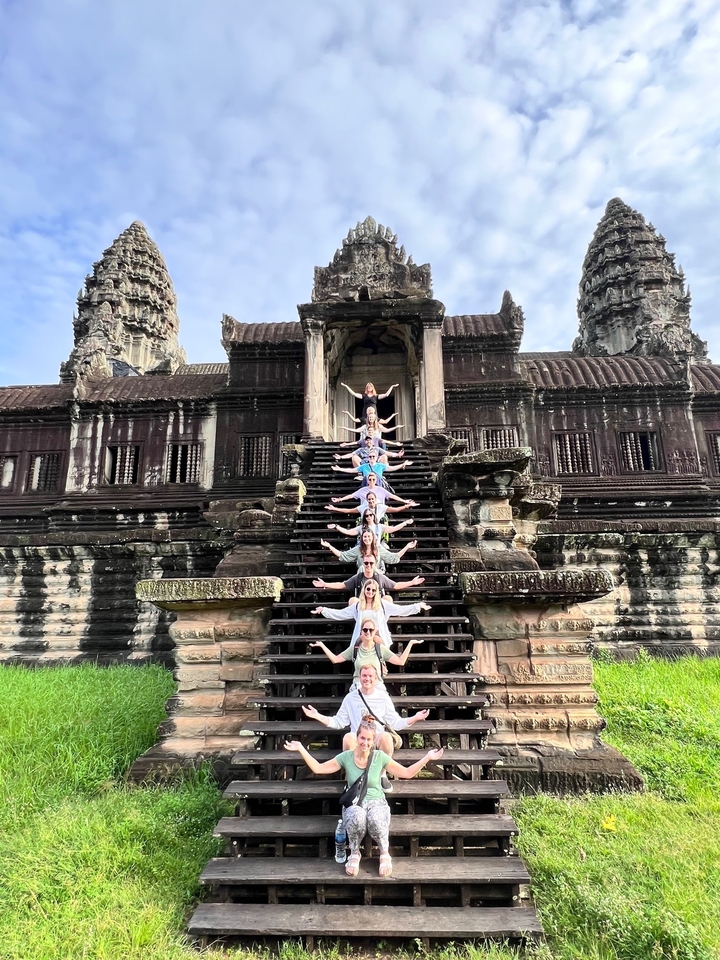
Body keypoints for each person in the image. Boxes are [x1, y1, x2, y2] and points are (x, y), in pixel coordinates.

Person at [285, 667, 442, 877]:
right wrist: (302, 748)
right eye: (362, 739)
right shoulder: (347, 754)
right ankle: (355, 852)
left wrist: (427, 757)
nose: (365, 743)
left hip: (376, 800)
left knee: (376, 818)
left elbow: (406, 773)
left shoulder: (379, 756)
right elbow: (319, 768)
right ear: (357, 738)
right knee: (356, 816)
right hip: (356, 801)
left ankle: (385, 852)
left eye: (368, 740)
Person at [311, 576, 431, 645]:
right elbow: (341, 614)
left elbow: (400, 610)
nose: (370, 592)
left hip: (378, 637)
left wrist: (417, 606)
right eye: (368, 589)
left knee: (377, 643)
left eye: (374, 590)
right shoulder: (358, 606)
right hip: (363, 636)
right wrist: (324, 610)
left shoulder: (382, 604)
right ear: (364, 590)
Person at [310, 617, 425, 688]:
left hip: (377, 686)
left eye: (371, 630)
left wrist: (410, 643)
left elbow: (400, 661)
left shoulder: (380, 648)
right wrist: (322, 645)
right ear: (361, 632)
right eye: (365, 630)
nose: (368, 632)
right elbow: (335, 659)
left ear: (375, 632)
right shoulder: (355, 649)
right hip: (358, 685)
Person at [320, 528, 417, 572]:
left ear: (373, 538)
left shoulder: (378, 548)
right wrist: (329, 546)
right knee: (362, 568)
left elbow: (392, 557)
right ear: (362, 538)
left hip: (376, 574)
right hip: (362, 575)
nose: (367, 539)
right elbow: (343, 555)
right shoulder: (358, 549)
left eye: (369, 537)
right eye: (365, 537)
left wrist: (407, 547)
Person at [312, 558, 424, 595]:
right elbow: (342, 585)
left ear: (375, 564)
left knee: (387, 598)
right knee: (352, 601)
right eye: (366, 563)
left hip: (376, 605)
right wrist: (325, 584)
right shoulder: (358, 577)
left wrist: (411, 583)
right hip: (363, 605)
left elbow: (395, 585)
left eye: (371, 563)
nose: (368, 565)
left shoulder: (380, 577)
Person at [331, 447, 413, 484]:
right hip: (367, 484)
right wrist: (340, 469)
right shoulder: (364, 466)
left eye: (373, 456)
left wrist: (403, 464)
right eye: (370, 456)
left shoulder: (381, 465)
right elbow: (352, 470)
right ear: (368, 458)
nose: (372, 458)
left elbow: (392, 468)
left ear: (376, 457)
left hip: (378, 484)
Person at [325, 488, 416, 518]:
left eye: (372, 499)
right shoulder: (363, 507)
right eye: (369, 499)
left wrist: (406, 505)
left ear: (375, 499)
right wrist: (335, 508)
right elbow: (348, 510)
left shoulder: (381, 506)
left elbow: (395, 510)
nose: (371, 501)